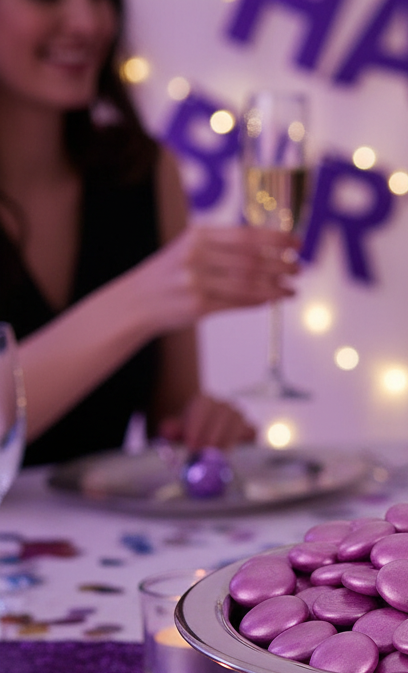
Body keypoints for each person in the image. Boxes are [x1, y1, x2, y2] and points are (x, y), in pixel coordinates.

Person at [0, 0, 299, 467]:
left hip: (100, 537)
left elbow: (172, 412)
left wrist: (201, 425)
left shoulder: (142, 171)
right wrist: (141, 299)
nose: (89, 22)